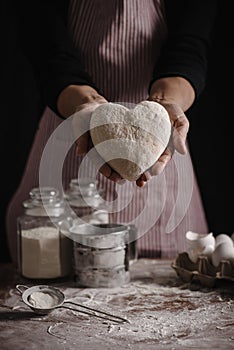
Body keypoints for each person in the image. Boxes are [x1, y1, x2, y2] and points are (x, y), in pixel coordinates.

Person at [6, 0, 218, 264]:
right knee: (57, 267)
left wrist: (165, 104)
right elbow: (46, 48)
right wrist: (85, 103)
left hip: (157, 138)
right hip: (74, 125)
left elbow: (189, 45)